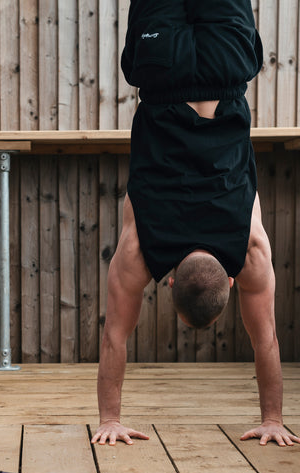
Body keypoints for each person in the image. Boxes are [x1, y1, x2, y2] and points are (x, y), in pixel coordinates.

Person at [91, 0, 300, 447]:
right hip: (162, 72)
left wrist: (274, 419)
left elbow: (267, 341)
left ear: (230, 278)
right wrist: (109, 420)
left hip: (226, 71)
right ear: (168, 283)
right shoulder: (142, 249)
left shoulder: (248, 249)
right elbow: (113, 337)